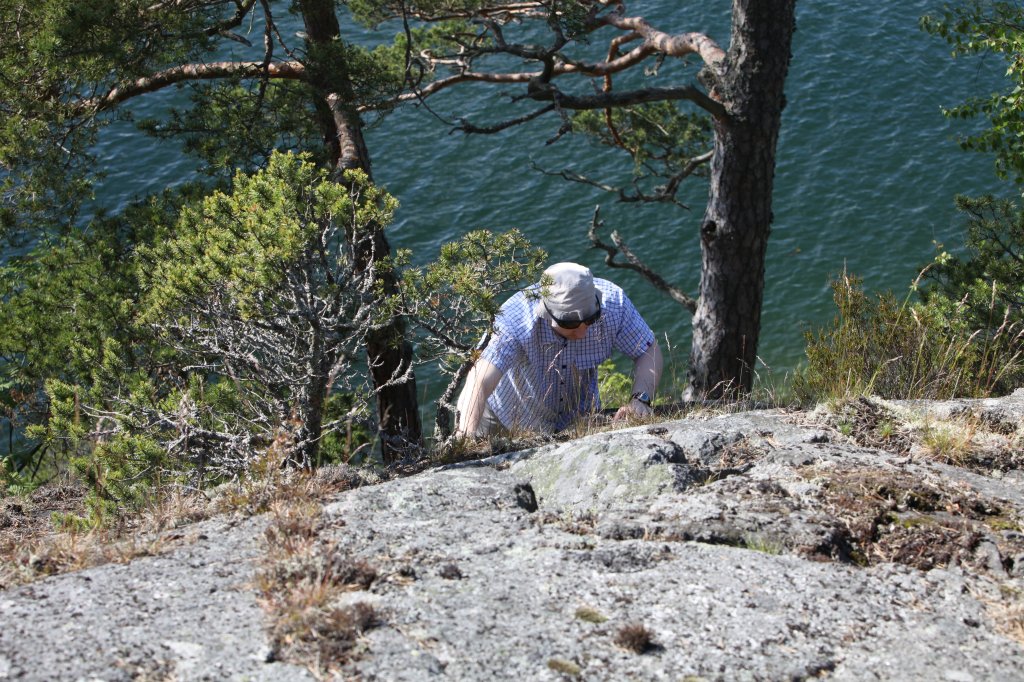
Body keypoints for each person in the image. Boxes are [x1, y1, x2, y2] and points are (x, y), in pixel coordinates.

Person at [455, 262, 663, 438]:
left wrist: (640, 399)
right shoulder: (514, 320)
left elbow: (648, 350)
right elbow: (478, 382)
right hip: (505, 417)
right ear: (546, 313)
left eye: (590, 319)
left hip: (577, 420)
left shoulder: (614, 304)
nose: (581, 332)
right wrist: (464, 439)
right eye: (570, 323)